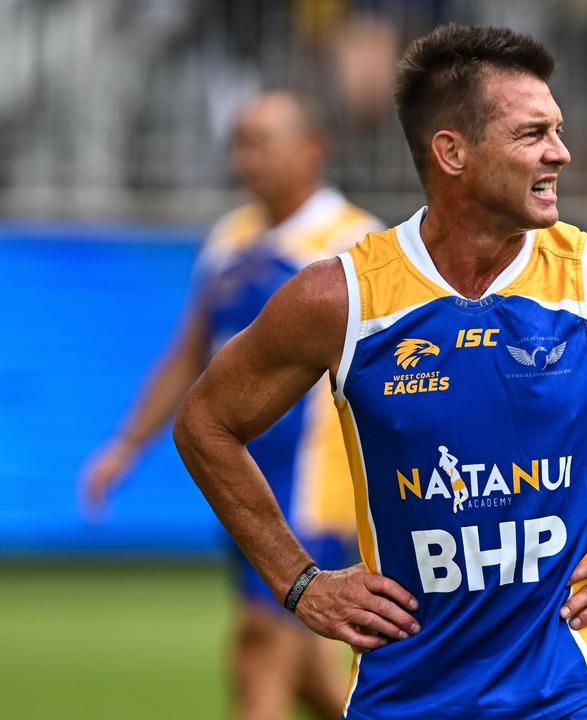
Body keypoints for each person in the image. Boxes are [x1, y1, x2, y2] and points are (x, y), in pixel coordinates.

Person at [173, 25, 587, 720]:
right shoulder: (342, 299)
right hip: (402, 695)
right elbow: (205, 422)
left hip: (574, 691)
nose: (562, 152)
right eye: (532, 134)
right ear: (452, 152)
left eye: (557, 129)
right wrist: (299, 581)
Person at [79, 92, 381, 720]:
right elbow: (191, 353)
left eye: (259, 142)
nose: (244, 159)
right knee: (304, 667)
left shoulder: (356, 244)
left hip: (312, 492)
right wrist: (128, 444)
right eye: (239, 143)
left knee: (260, 648)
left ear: (311, 151)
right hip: (239, 482)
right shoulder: (231, 236)